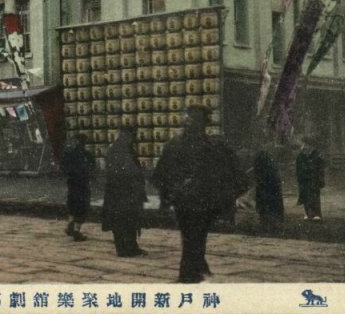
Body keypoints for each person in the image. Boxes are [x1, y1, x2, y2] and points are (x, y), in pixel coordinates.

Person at [152, 105, 248, 283]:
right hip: (204, 200)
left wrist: (165, 200)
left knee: (189, 236)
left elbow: (161, 175)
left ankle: (195, 269)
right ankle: (190, 274)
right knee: (197, 236)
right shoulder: (214, 145)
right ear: (205, 123)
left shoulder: (174, 144)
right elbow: (234, 172)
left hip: (182, 200)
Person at [102, 127, 148, 257]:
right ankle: (124, 249)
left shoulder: (121, 148)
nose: (132, 139)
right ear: (125, 135)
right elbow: (129, 170)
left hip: (122, 191)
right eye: (131, 136)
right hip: (121, 192)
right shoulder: (119, 150)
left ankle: (131, 247)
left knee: (129, 220)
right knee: (123, 221)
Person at [60, 133, 95, 242]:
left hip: (72, 183)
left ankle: (71, 222)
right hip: (83, 184)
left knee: (72, 203)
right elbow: (92, 167)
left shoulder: (68, 154)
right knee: (82, 206)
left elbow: (63, 167)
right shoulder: (87, 155)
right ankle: (76, 230)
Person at [252, 147, 284, 230]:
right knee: (272, 205)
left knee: (264, 206)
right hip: (271, 188)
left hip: (264, 188)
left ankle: (265, 222)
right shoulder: (271, 167)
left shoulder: (260, 166)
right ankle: (272, 223)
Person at [296, 137, 325, 221]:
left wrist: (320, 178)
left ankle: (317, 214)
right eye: (304, 144)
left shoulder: (316, 154)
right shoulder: (301, 155)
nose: (304, 146)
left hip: (313, 178)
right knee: (305, 196)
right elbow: (298, 167)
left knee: (314, 196)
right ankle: (308, 213)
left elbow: (320, 167)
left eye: (306, 144)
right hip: (304, 178)